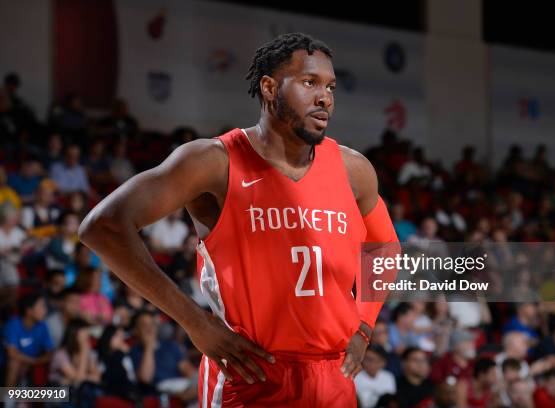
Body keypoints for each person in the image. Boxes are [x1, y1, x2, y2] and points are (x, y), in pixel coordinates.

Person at [78, 32, 398, 406]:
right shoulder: (212, 162)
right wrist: (196, 323)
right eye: (309, 82)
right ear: (268, 87)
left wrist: (363, 325)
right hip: (251, 373)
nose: (324, 96)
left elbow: (385, 247)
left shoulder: (354, 170)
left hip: (332, 377)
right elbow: (103, 227)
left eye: (330, 86)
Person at [3, 293, 54, 386]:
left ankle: (28, 397)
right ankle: (7, 398)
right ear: (29, 311)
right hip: (7, 365)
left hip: (30, 365)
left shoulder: (42, 326)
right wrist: (34, 361)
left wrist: (34, 362)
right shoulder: (13, 324)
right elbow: (12, 353)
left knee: (60, 393)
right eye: (42, 306)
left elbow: (50, 352)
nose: (45, 310)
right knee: (15, 363)